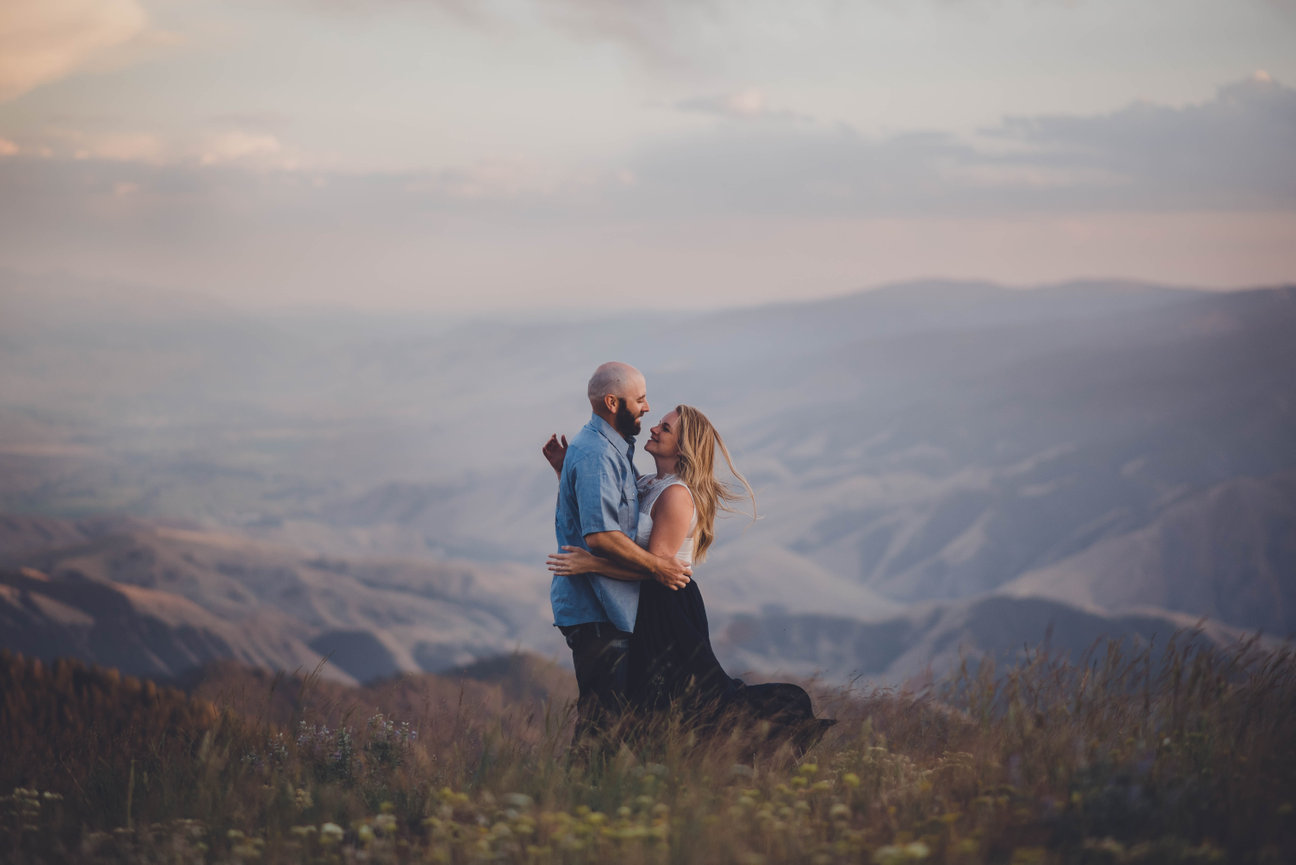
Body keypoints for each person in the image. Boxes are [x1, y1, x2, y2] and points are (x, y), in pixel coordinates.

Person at [546, 404, 833, 753]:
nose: (653, 429)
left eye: (665, 429)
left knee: (688, 705)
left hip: (667, 607)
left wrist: (591, 564)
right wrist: (565, 471)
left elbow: (654, 569)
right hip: (649, 602)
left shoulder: (676, 496)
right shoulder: (650, 482)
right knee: (654, 707)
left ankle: (767, 741)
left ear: (682, 448)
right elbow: (607, 516)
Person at [548, 362, 692, 752]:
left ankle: (607, 798)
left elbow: (605, 510)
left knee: (629, 724)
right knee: (602, 726)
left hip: (619, 608)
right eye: (641, 399)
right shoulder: (598, 453)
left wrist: (567, 473)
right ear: (613, 402)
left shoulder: (610, 450)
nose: (647, 409)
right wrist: (660, 567)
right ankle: (580, 801)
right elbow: (602, 536)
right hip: (599, 609)